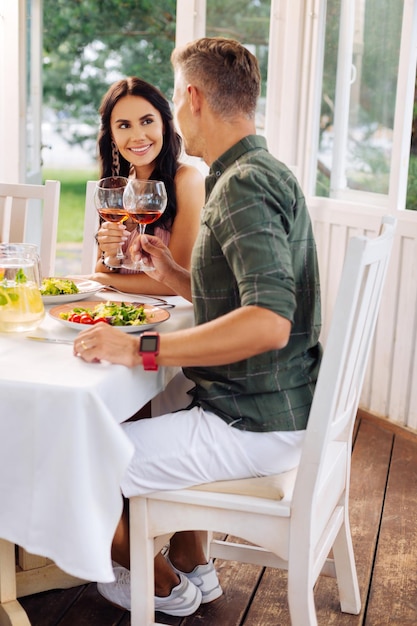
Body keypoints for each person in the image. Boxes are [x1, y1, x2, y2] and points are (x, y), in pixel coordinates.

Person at [74, 37, 322, 617]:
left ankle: (164, 585)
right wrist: (174, 273)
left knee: (76, 456)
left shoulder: (240, 187)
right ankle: (192, 570)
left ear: (190, 98)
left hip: (251, 421)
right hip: (268, 408)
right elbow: (244, 295)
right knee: (92, 439)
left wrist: (142, 351)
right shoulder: (259, 171)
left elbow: (267, 323)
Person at [89, 76, 205, 295]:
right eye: (124, 125)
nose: (138, 136)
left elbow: (176, 281)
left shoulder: (187, 180)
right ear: (112, 135)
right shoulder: (118, 185)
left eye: (147, 121)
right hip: (122, 310)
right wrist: (110, 254)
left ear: (163, 124)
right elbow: (104, 268)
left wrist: (97, 280)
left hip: (169, 316)